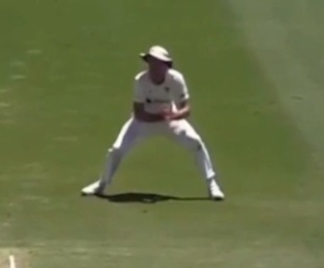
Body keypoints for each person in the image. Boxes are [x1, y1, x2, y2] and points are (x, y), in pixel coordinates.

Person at [81, 45, 225, 201]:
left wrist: (175, 115)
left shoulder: (176, 79)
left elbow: (186, 109)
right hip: (144, 121)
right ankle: (101, 185)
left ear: (165, 65)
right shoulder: (141, 80)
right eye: (151, 61)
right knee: (116, 149)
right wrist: (161, 117)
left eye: (157, 62)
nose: (153, 65)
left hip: (170, 120)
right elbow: (139, 113)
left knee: (195, 143)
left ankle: (212, 185)